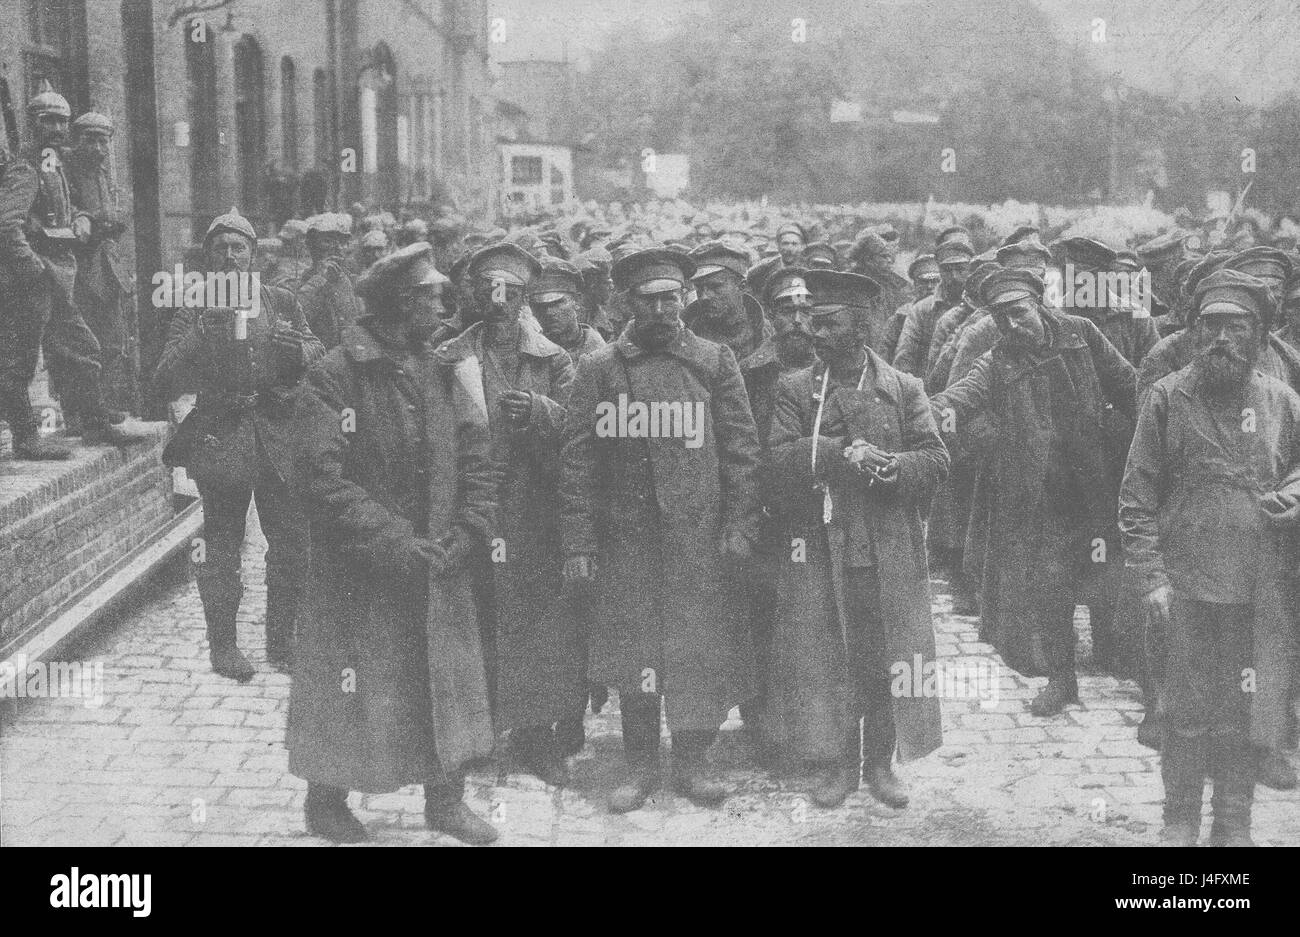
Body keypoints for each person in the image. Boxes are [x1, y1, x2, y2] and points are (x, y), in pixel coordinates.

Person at [289, 242, 499, 845]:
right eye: (431, 296)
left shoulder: (445, 366)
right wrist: (395, 540)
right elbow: (320, 478)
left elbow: (478, 453)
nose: (442, 306)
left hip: (440, 558)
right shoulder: (336, 372)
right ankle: (325, 802)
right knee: (352, 683)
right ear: (401, 303)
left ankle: (447, 802)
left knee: (447, 678)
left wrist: (469, 528)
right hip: (362, 567)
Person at [560, 246, 761, 812]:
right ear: (629, 304)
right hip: (628, 541)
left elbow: (742, 452)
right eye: (647, 300)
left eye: (670, 297)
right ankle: (643, 767)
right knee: (637, 657)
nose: (660, 310)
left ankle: (692, 763)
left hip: (699, 540)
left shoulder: (714, 361)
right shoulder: (600, 368)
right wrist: (579, 541)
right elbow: (578, 461)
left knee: (698, 653)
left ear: (684, 299)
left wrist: (740, 525)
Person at [1120, 269, 1300, 846]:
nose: (1221, 339)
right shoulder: (1166, 397)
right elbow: (1136, 496)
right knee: (1184, 711)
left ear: (1258, 335)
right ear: (1194, 331)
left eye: (1235, 327)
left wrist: (1294, 493)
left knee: (1245, 710)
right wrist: (1151, 581)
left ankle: (1233, 825)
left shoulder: (1280, 400)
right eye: (1210, 326)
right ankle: (1178, 822)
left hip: (1259, 588)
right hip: (1185, 587)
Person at [763, 269, 948, 808]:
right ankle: (841, 764)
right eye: (810, 322)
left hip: (886, 545)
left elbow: (936, 458)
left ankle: (880, 764)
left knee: (888, 652)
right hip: (822, 547)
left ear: (859, 328)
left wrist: (896, 469)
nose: (812, 332)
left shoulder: (903, 388)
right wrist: (836, 453)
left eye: (826, 323)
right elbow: (775, 460)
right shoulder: (796, 389)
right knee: (832, 655)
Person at [932, 268, 1136, 716]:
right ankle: (1062, 679)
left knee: (1117, 581)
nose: (1010, 325)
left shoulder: (1081, 334)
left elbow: (1128, 385)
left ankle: (1147, 687)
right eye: (1000, 317)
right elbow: (958, 401)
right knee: (1051, 586)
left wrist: (1131, 443)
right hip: (1043, 495)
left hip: (1096, 485)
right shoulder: (997, 359)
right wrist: (990, 436)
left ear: (1039, 304)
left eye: (1018, 313)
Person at [155, 207, 322, 679]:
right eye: (220, 249)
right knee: (223, 546)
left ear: (253, 255)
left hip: (278, 436)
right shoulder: (192, 307)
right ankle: (223, 647)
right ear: (208, 258)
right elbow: (164, 378)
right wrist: (200, 334)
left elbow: (317, 348)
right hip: (221, 435)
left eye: (238, 248)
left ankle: (282, 641)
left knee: (291, 542)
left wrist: (299, 350)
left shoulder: (280, 300)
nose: (230, 257)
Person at [437, 243, 581, 786]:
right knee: (474, 617)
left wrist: (542, 412)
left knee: (537, 624)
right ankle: (477, 734)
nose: (498, 301)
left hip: (532, 509)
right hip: (470, 506)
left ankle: (536, 738)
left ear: (524, 300)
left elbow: (582, 429)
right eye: (489, 289)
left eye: (511, 292)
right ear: (476, 293)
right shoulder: (450, 354)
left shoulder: (552, 359)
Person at [0, 82, 148, 459]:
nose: (58, 130)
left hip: (57, 276)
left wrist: (80, 218)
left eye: (63, 123)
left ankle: (96, 425)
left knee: (84, 348)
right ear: (33, 124)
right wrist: (32, 268)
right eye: (49, 122)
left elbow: (65, 207)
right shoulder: (25, 166)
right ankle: (26, 437)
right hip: (33, 280)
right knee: (18, 362)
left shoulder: (52, 163)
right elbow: (7, 224)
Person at [64, 109, 137, 423]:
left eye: (102, 141)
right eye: (90, 140)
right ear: (77, 140)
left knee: (113, 342)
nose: (97, 148)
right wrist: (86, 218)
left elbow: (112, 210)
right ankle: (78, 414)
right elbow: (65, 208)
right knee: (83, 345)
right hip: (80, 268)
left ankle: (101, 406)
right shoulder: (65, 167)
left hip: (108, 266)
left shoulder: (104, 172)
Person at [893, 237, 973, 377]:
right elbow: (904, 357)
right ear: (940, 271)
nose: (954, 276)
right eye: (947, 270)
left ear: (970, 270)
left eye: (960, 269)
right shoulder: (922, 310)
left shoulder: (980, 305)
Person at [297, 212, 362, 350]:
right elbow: (295, 315)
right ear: (311, 246)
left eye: (343, 242)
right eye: (328, 241)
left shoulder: (349, 280)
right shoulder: (297, 280)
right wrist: (320, 278)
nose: (337, 248)